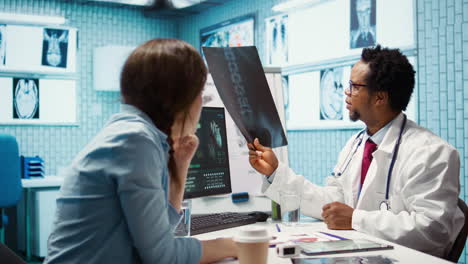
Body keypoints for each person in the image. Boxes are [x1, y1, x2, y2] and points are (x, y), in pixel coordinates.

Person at [248, 45, 464, 258]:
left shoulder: (431, 153)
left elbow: (433, 229)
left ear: (380, 98)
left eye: (354, 86)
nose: (346, 92)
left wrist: (355, 219)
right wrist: (275, 172)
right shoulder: (357, 144)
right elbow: (332, 203)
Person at [45, 39, 237, 264]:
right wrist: (231, 245)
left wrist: (180, 165)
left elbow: (161, 232)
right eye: (200, 93)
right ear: (179, 97)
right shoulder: (135, 141)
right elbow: (162, 257)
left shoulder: (136, 134)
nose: (201, 103)